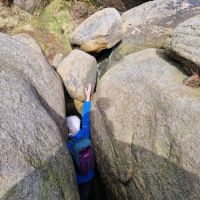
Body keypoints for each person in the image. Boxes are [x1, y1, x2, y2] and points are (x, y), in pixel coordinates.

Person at [67, 83, 95, 200]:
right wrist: (88, 97)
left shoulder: (69, 145)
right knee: (86, 195)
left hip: (79, 180)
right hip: (91, 174)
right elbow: (86, 117)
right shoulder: (85, 132)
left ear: (69, 132)